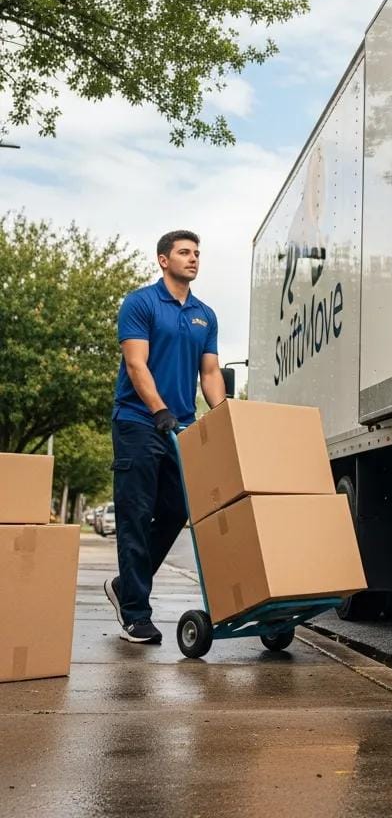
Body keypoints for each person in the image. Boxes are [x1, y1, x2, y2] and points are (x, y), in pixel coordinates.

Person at [104, 231, 225, 644]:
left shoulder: (205, 315)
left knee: (176, 511)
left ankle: (125, 585)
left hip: (181, 426)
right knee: (135, 516)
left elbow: (210, 372)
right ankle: (136, 614)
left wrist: (224, 416)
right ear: (163, 259)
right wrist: (158, 409)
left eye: (197, 253)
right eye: (184, 252)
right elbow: (136, 364)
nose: (193, 259)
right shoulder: (141, 303)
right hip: (138, 422)